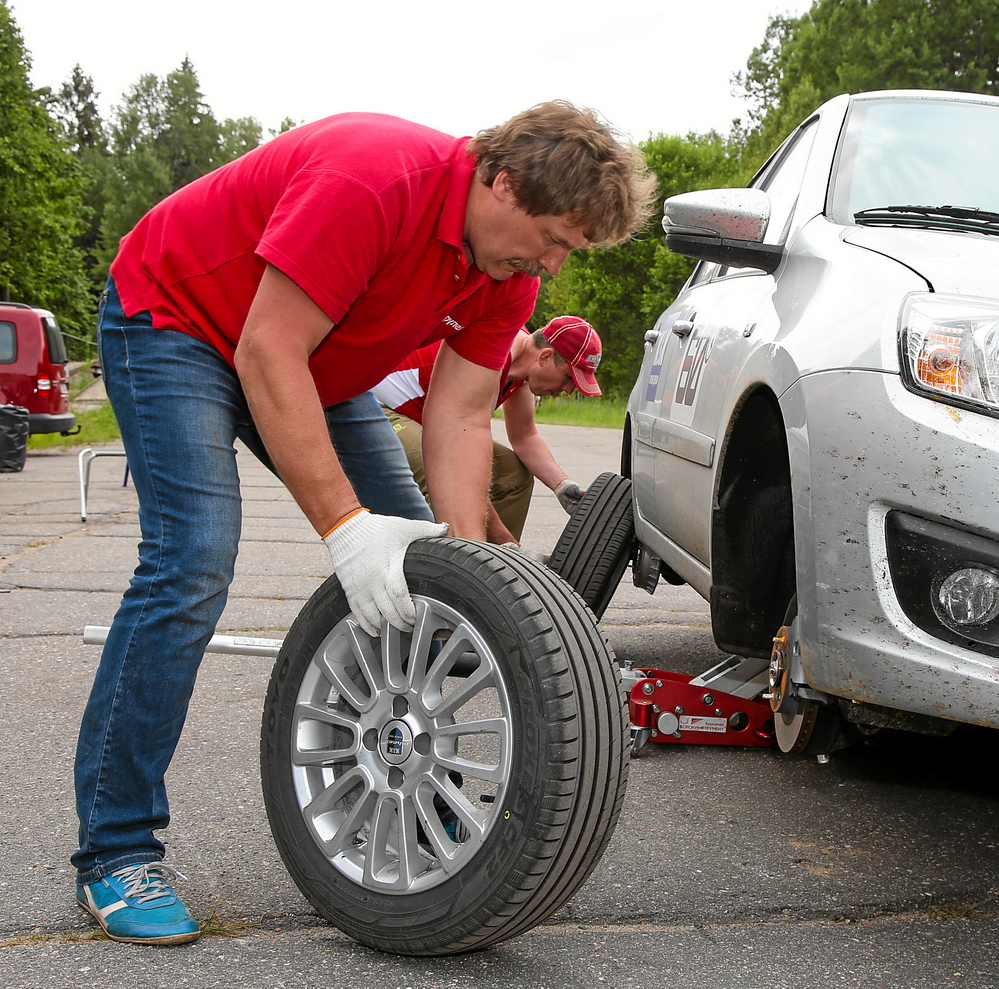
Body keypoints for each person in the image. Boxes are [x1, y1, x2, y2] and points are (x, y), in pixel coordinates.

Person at [74, 102, 654, 946]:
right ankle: (115, 848)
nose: (555, 265)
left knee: (416, 566)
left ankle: (384, 787)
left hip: (322, 362)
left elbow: (458, 419)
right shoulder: (376, 178)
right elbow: (266, 347)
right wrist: (345, 525)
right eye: (556, 238)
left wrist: (467, 576)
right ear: (502, 181)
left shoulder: (506, 274)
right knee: (193, 556)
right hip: (177, 321)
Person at [371, 315, 602, 544]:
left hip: (427, 421)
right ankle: (450, 565)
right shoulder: (494, 357)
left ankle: (487, 568)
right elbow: (460, 462)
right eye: (568, 377)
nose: (570, 390)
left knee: (513, 472)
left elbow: (525, 437)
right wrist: (508, 546)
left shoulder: (520, 369)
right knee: (437, 470)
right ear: (546, 356)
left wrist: (561, 485)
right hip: (379, 409)